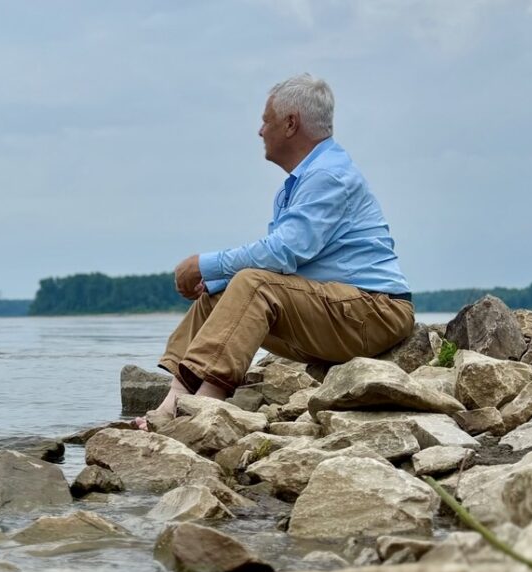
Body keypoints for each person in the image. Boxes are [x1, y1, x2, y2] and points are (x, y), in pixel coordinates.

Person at [139, 73, 414, 430]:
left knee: (254, 283)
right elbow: (285, 264)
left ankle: (203, 409)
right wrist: (218, 281)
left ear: (290, 124)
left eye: (265, 120)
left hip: (375, 312)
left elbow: (282, 254)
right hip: (343, 312)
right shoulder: (301, 182)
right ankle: (171, 404)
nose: (259, 131)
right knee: (222, 293)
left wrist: (204, 265)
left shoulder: (328, 175)